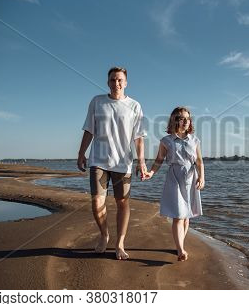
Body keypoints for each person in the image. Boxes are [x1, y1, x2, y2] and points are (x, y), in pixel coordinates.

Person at [77, 66, 147, 260]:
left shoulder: (135, 106)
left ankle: (120, 243)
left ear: (126, 83)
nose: (116, 83)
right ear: (108, 82)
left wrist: (141, 162)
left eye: (119, 80)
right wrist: (81, 153)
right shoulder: (97, 102)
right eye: (112, 80)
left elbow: (139, 138)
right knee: (97, 202)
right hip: (98, 160)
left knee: (122, 202)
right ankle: (104, 234)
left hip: (123, 163)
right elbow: (89, 130)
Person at [143, 106, 204, 261]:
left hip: (191, 178)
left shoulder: (194, 140)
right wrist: (151, 172)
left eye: (187, 118)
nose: (185, 121)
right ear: (174, 120)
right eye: (181, 118)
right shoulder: (166, 141)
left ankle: (180, 245)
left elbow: (199, 161)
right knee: (178, 215)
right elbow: (159, 160)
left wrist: (201, 177)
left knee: (186, 216)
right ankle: (180, 249)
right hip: (174, 178)